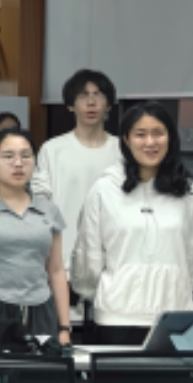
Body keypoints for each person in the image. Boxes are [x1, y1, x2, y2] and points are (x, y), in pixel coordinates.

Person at [72, 103, 193, 345]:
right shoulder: (104, 190)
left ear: (170, 137)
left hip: (174, 315)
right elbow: (88, 255)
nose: (150, 142)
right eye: (140, 134)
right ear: (126, 139)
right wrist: (108, 294)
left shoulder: (187, 191)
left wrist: (175, 287)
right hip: (116, 317)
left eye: (158, 133)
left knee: (174, 372)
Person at [0, 127, 73, 347]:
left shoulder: (49, 210)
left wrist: (64, 328)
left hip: (41, 308)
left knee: (40, 368)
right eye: (8, 156)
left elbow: (56, 270)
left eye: (26, 156)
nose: (18, 164)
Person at [32, 69, 121, 270]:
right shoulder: (52, 149)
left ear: (109, 105)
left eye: (98, 95)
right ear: (70, 105)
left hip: (112, 262)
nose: (91, 102)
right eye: (83, 95)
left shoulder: (122, 151)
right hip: (62, 261)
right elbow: (40, 205)